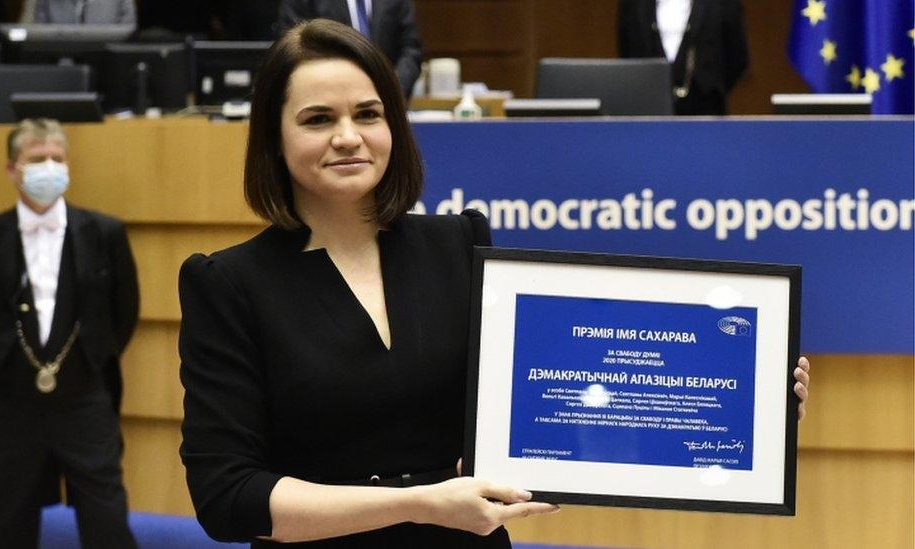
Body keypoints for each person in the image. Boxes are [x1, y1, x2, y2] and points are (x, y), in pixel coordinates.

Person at [179, 19, 812, 548]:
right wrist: (421, 503)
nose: (348, 137)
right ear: (274, 137)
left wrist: (747, 406)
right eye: (318, 119)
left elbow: (567, 399)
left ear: (393, 125)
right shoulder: (230, 284)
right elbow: (227, 495)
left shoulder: (458, 244)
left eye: (368, 114)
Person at [0, 118, 139, 549]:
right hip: (7, 403)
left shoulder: (105, 233)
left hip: (85, 398)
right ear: (12, 169)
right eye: (37, 159)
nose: (49, 167)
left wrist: (90, 362)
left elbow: (123, 313)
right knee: (5, 524)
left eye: (58, 158)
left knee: (107, 520)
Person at [618, 0, 749, 115]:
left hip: (706, 113)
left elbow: (738, 57)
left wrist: (710, 88)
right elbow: (627, 55)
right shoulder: (633, 3)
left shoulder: (723, 3)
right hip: (647, 112)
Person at [277, 0, 423, 97]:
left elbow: (411, 48)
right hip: (326, 96)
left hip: (387, 102)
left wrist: (392, 89)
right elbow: (295, 45)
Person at [28, 0, 136, 25]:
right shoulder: (46, 2)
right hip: (59, 69)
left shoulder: (121, 2)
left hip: (108, 67)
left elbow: (128, 38)